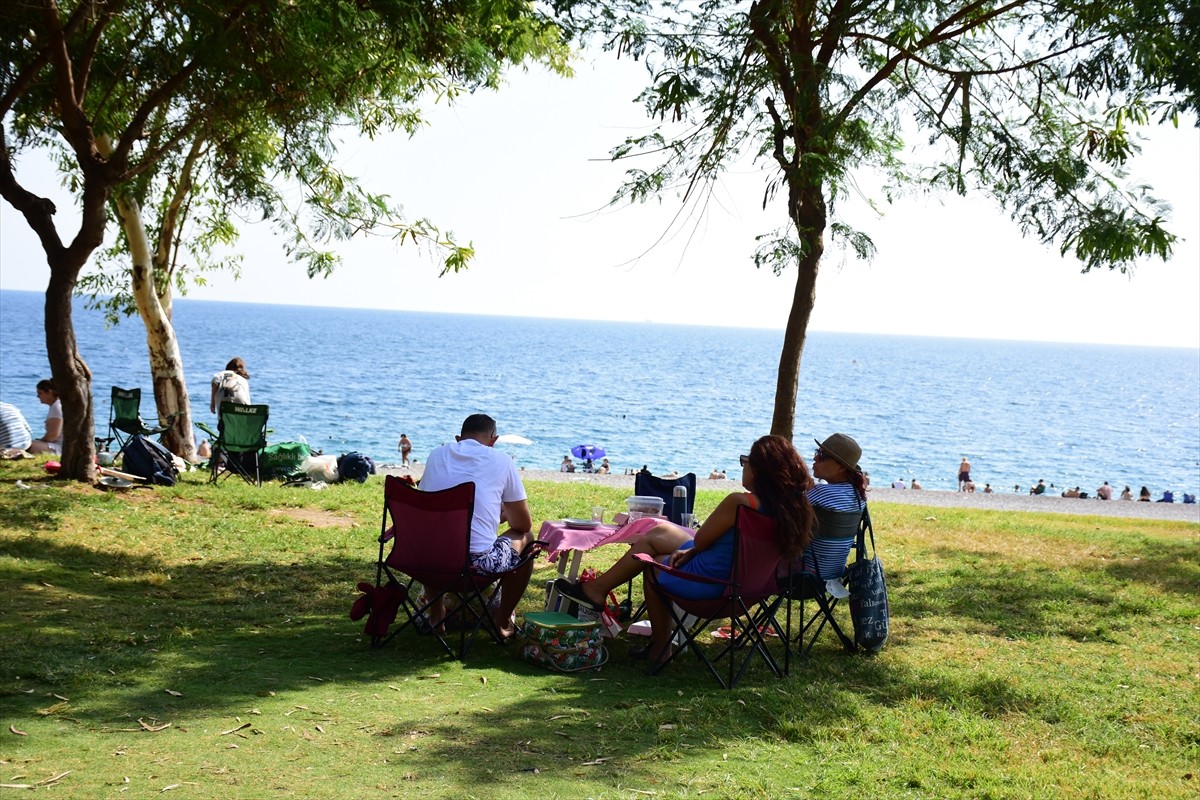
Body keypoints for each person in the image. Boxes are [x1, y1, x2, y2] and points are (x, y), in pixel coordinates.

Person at [555, 434, 816, 670]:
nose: (743, 466)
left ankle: (659, 645)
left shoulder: (741, 503)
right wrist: (692, 551)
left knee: (652, 563)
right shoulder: (793, 511)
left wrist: (692, 552)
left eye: (746, 461)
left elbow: (702, 539)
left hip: (712, 587)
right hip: (752, 592)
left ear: (761, 471)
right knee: (657, 537)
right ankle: (599, 592)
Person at [419, 414, 535, 640]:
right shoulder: (502, 460)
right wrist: (502, 514)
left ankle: (436, 615)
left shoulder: (436, 455)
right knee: (527, 536)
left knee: (434, 538)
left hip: (424, 561)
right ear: (494, 440)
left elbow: (428, 505)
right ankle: (501, 623)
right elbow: (522, 524)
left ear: (458, 438)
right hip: (474, 566)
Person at [28, 380, 63, 455]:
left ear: (49, 392)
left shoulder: (57, 407)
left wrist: (40, 441)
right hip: (58, 445)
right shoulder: (56, 405)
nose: (38, 396)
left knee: (26, 445)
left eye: (40, 393)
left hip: (59, 448)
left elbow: (53, 435)